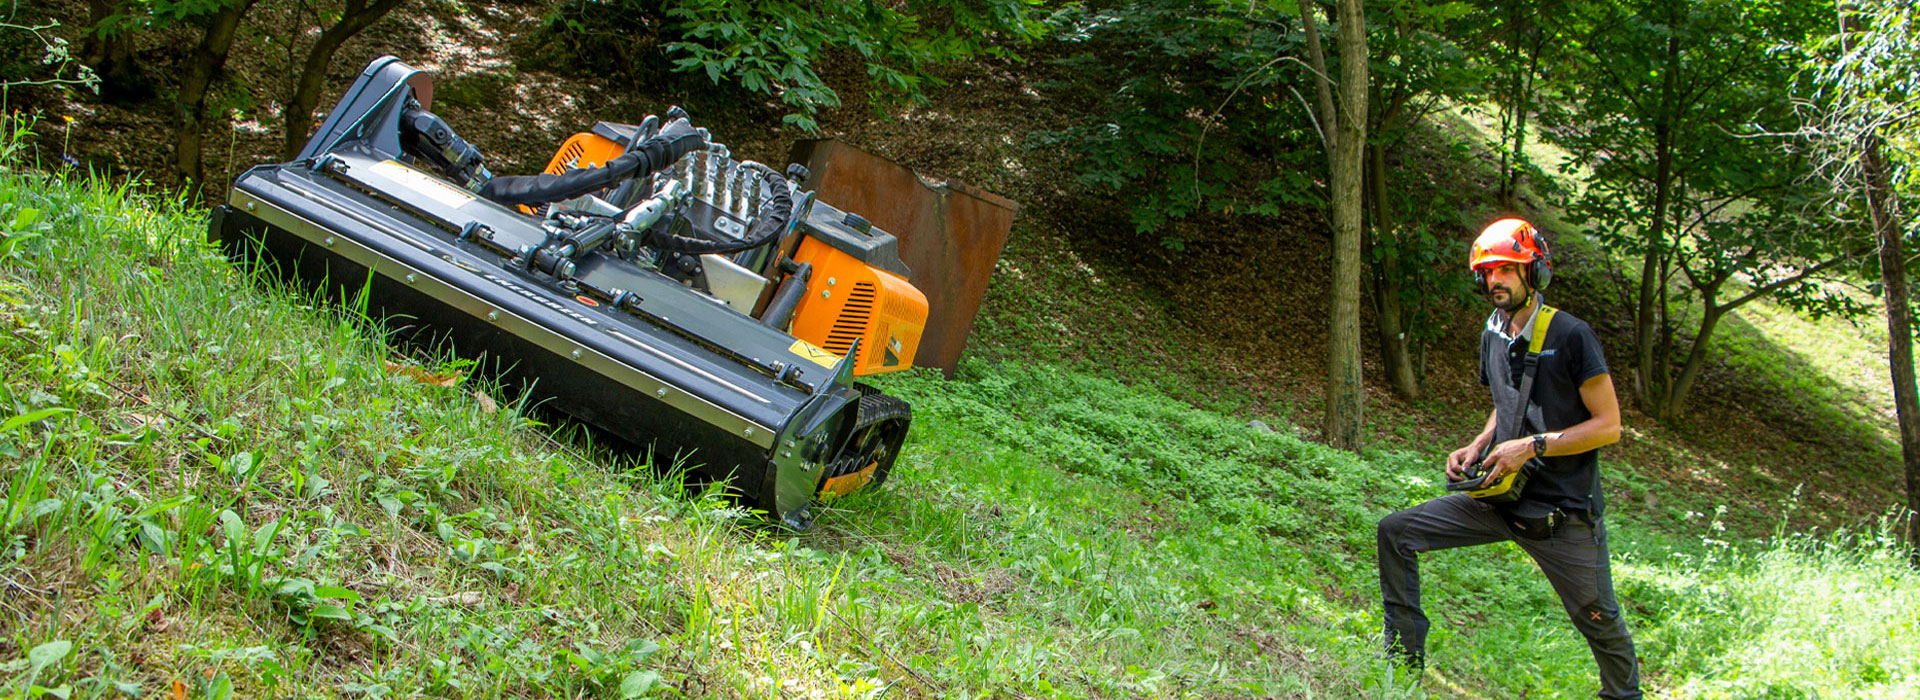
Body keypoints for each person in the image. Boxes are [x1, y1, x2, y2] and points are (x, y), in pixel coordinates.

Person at [1375, 218, 1642, 699]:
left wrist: (1533, 446)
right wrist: (1478, 444)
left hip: (1561, 514)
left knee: (1601, 623)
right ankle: (1401, 669)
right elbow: (1507, 403)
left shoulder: (1571, 334)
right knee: (1396, 532)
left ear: (1534, 272)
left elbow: (1609, 426)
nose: (1496, 280)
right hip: (1499, 498)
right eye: (1488, 271)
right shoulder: (1493, 334)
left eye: (1508, 269)